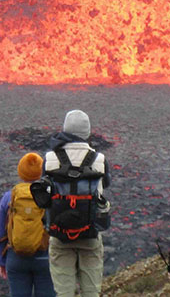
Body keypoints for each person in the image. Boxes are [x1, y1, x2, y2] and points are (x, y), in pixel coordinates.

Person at [41, 109, 110, 297]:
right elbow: (105, 185)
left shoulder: (49, 159)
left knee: (64, 293)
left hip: (59, 233)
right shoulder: (99, 160)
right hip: (90, 233)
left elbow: (44, 192)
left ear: (65, 129)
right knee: (91, 292)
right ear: (87, 132)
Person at [0, 152, 54, 296]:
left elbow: (1, 234)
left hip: (16, 257)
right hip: (44, 256)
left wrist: (2, 261)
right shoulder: (50, 195)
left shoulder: (9, 197)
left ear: (20, 172)